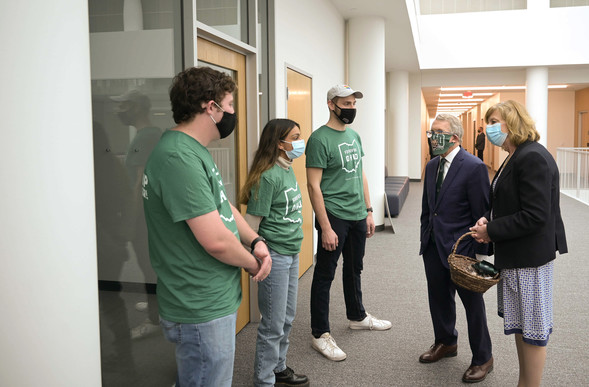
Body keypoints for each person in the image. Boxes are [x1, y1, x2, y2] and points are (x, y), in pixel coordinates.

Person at [142, 66, 272, 387]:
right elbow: (215, 240)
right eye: (228, 105)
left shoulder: (193, 150)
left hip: (210, 299)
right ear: (210, 107)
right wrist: (255, 263)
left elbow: (221, 204)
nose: (232, 113)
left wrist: (254, 239)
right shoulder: (178, 158)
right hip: (199, 307)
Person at [470, 100, 568, 387]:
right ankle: (524, 382)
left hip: (530, 260)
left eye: (494, 122)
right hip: (516, 255)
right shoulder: (515, 155)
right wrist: (489, 222)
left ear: (513, 122)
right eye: (487, 122)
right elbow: (510, 202)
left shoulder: (532, 157)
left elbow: (535, 215)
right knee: (522, 327)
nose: (489, 129)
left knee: (534, 331)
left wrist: (492, 231)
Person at [306, 84, 391, 362]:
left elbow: (361, 174)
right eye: (346, 104)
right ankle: (320, 334)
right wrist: (326, 226)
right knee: (325, 275)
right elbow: (313, 185)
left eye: (354, 104)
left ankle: (357, 316)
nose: (351, 108)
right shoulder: (319, 139)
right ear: (332, 104)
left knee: (354, 268)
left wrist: (368, 210)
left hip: (356, 214)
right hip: (334, 216)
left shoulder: (353, 135)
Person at [419, 114, 494, 383]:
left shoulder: (473, 167)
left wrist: (478, 254)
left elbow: (482, 212)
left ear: (454, 138)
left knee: (473, 306)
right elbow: (428, 209)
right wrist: (424, 239)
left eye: (437, 132)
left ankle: (483, 357)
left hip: (462, 251)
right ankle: (446, 342)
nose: (431, 136)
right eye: (430, 131)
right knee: (438, 299)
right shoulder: (431, 166)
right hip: (433, 246)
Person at [240, 119, 309, 387]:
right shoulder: (267, 177)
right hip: (275, 256)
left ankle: (278, 368)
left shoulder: (287, 169)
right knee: (273, 324)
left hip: (292, 253)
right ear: (280, 144)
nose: (300, 142)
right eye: (295, 137)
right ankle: (264, 380)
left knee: (287, 317)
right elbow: (251, 226)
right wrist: (253, 260)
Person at [111, 89, 163, 339]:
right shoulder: (145, 136)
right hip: (146, 216)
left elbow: (140, 183)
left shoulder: (147, 138)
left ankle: (155, 318)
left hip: (143, 216)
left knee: (148, 266)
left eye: (124, 106)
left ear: (138, 108)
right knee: (149, 265)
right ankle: (158, 306)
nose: (119, 111)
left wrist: (130, 222)